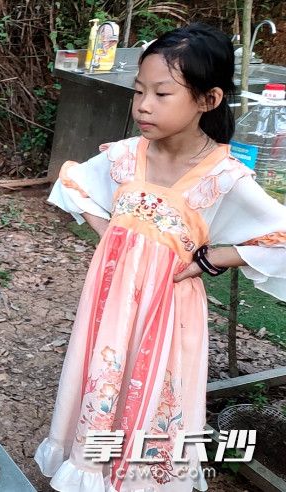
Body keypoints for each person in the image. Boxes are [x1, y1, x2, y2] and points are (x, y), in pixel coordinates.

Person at [35, 23, 286, 491]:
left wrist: (213, 259)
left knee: (152, 387)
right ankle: (91, 468)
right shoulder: (126, 156)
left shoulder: (222, 176)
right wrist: (112, 231)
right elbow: (75, 184)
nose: (143, 106)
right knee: (105, 375)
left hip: (167, 312)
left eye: (162, 94)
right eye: (138, 91)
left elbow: (280, 235)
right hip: (109, 304)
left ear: (207, 100)